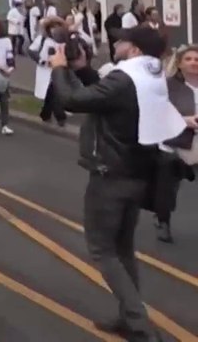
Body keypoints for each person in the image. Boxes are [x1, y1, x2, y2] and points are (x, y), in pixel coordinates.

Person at [49, 26, 185, 341]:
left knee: (102, 250)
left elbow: (73, 100)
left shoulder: (124, 79)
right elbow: (107, 97)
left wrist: (59, 69)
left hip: (111, 175)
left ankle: (140, 325)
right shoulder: (150, 76)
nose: (116, 43)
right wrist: (82, 70)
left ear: (134, 50)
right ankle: (128, 318)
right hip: (138, 174)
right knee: (122, 249)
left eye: (122, 41)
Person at [159, 46, 198, 243]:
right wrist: (185, 120)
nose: (193, 62)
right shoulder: (169, 86)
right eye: (188, 59)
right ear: (180, 63)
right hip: (175, 142)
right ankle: (163, 222)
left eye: (196, 59)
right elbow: (159, 114)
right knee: (168, 187)